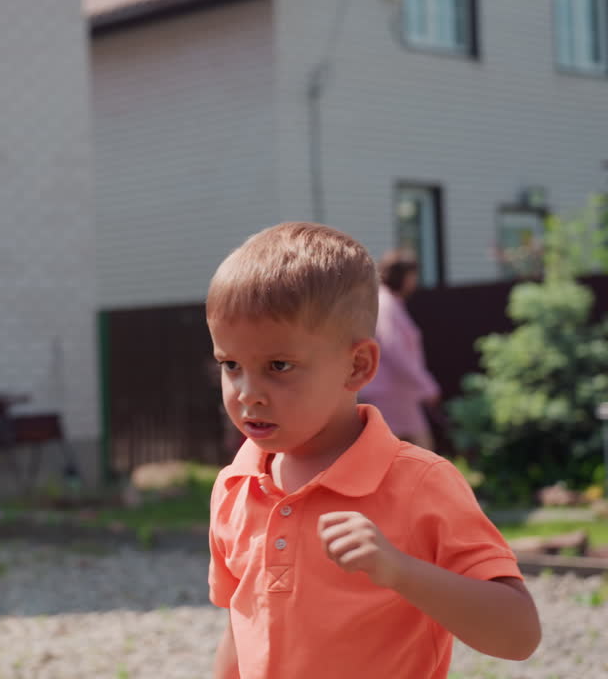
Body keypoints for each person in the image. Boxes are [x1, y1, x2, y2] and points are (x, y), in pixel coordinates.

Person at [205, 222, 540, 678]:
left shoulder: (421, 483)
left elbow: (519, 634)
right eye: (231, 365)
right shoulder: (234, 487)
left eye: (278, 365)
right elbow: (240, 627)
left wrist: (401, 571)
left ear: (357, 366)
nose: (248, 393)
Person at [360, 249, 441, 451]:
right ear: (402, 276)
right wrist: (426, 384)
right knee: (420, 453)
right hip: (391, 395)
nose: (415, 281)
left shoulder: (387, 302)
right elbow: (394, 349)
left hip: (397, 394)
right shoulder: (387, 305)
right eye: (413, 275)